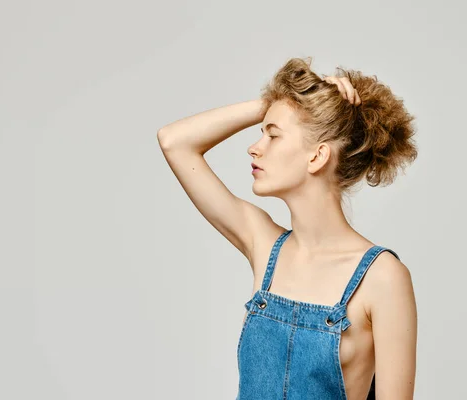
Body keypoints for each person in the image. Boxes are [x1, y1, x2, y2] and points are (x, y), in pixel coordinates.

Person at [157, 57, 418, 399]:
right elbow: (174, 141)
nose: (255, 147)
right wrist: (274, 106)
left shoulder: (383, 277)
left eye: (273, 136)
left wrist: (290, 106)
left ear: (317, 156)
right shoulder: (264, 244)